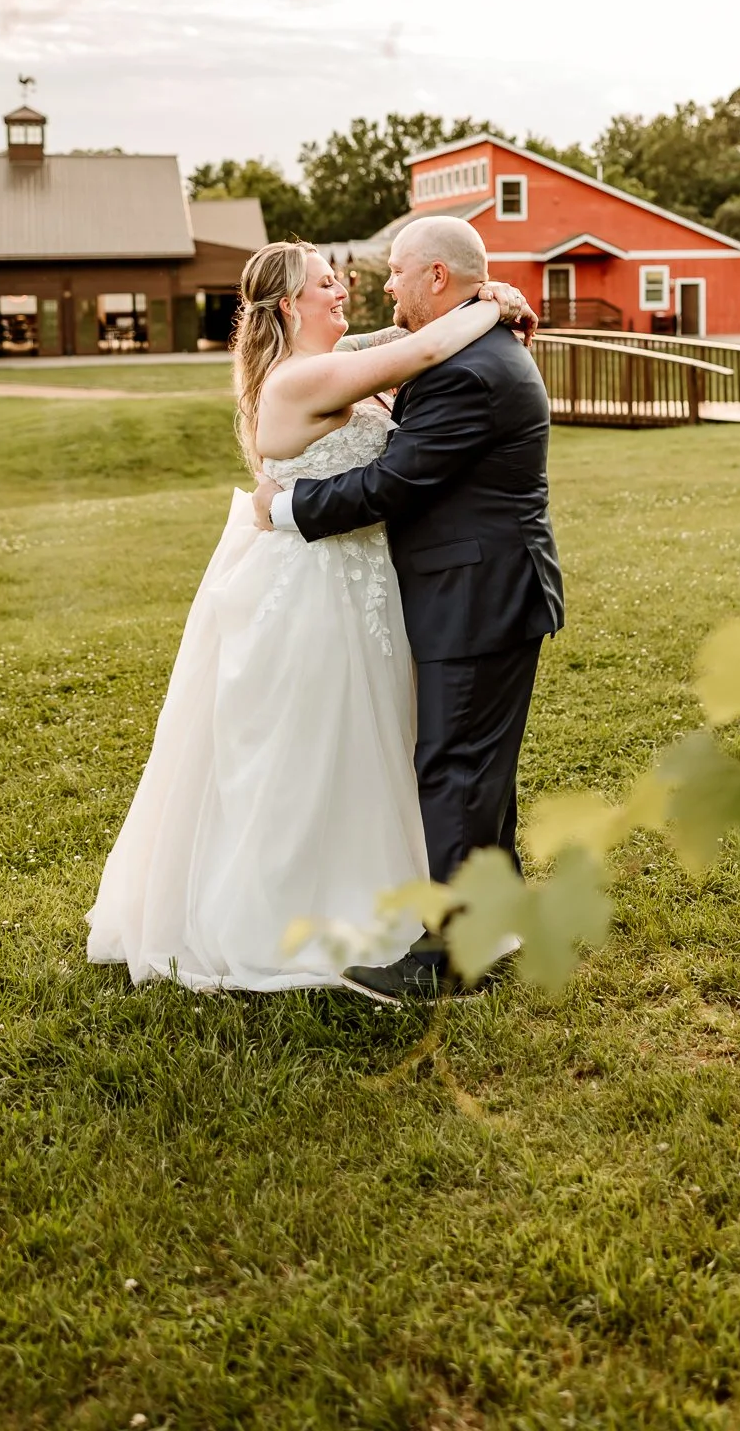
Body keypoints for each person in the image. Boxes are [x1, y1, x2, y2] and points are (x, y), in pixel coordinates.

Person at [86, 237, 536, 994]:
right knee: (309, 751)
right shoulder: (304, 378)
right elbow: (423, 347)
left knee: (376, 745)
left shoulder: (337, 357)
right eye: (327, 282)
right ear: (290, 303)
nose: (345, 289)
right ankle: (293, 913)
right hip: (310, 588)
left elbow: (401, 334)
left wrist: (493, 296)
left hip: (363, 580)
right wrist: (488, 299)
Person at [252, 215, 564, 1002]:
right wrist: (493, 302)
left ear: (433, 278)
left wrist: (287, 508)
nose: (379, 285)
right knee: (476, 766)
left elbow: (395, 483)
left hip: (477, 591)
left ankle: (455, 954)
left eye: (394, 271)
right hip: (480, 586)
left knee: (456, 765)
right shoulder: (473, 348)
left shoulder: (467, 367)